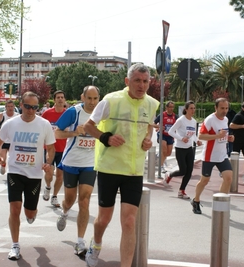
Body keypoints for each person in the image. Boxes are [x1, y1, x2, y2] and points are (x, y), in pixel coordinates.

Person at [83, 63, 159, 267]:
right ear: (127, 81)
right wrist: (106, 137)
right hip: (109, 167)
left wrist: (148, 140)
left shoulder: (152, 104)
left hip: (134, 170)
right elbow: (89, 127)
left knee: (129, 221)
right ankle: (96, 243)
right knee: (104, 219)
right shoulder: (111, 100)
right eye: (137, 80)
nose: (141, 85)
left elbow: (149, 127)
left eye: (145, 81)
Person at [0, 91, 56, 261]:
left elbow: (51, 148)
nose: (31, 110)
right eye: (27, 106)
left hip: (34, 175)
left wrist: (48, 163)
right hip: (15, 171)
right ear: (21, 105)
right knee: (14, 208)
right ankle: (15, 245)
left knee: (29, 213)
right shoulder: (11, 124)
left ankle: (32, 213)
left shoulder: (44, 124)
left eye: (35, 107)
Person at [55, 85, 100, 257]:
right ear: (83, 97)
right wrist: (75, 132)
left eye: (95, 98)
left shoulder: (101, 114)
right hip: (71, 162)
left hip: (90, 163)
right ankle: (65, 212)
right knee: (70, 199)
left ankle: (80, 241)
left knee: (85, 200)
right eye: (89, 98)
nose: (92, 102)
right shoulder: (74, 112)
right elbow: (57, 133)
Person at [191, 98, 234, 215]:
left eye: (226, 108)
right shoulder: (210, 120)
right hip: (209, 155)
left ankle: (220, 205)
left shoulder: (225, 119)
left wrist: (229, 138)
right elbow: (201, 136)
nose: (224, 111)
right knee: (204, 180)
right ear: (216, 108)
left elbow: (223, 134)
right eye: (222, 108)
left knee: (228, 178)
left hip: (222, 155)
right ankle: (196, 200)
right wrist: (216, 136)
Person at [162, 101, 202, 199]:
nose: (193, 110)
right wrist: (181, 138)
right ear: (186, 109)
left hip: (189, 148)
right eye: (191, 108)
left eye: (194, 108)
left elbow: (193, 134)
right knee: (183, 170)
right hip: (180, 148)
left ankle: (181, 191)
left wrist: (197, 141)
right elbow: (170, 131)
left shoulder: (193, 121)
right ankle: (169, 175)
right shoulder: (181, 120)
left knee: (189, 171)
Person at [41, 90, 67, 207]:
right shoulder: (47, 113)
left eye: (62, 97)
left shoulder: (68, 114)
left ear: (64, 100)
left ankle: (55, 196)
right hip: (49, 148)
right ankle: (47, 187)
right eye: (58, 97)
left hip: (63, 149)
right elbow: (40, 127)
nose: (60, 99)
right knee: (49, 173)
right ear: (54, 100)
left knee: (60, 175)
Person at [0, 100, 18, 175]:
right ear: (6, 107)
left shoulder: (17, 116)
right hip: (4, 141)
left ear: (14, 107)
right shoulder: (2, 115)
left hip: (13, 141)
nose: (10, 108)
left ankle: (12, 171)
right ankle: (3, 166)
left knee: (13, 158)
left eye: (11, 106)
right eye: (8, 106)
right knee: (3, 157)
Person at [154, 101, 178, 173]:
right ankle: (161, 167)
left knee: (168, 153)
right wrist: (158, 127)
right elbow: (154, 123)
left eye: (172, 107)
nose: (171, 108)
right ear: (166, 107)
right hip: (162, 134)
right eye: (170, 107)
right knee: (164, 151)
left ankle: (159, 156)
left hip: (170, 136)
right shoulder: (162, 115)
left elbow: (179, 125)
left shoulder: (175, 116)